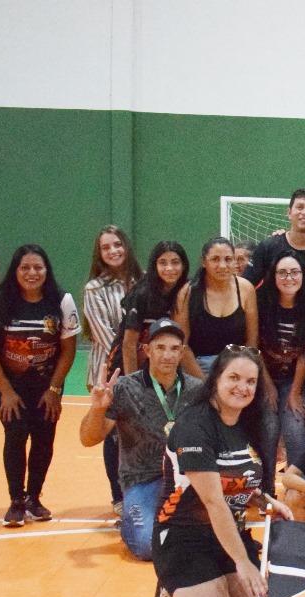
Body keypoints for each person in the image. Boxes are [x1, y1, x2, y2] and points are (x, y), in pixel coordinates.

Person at [153, 345, 292, 597]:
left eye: (251, 382)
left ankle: (219, 582)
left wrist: (264, 500)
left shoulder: (249, 423)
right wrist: (243, 563)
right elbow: (214, 500)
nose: (242, 387)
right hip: (185, 538)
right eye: (234, 378)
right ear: (215, 378)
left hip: (230, 534)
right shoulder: (193, 427)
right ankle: (171, 587)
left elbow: (238, 479)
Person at [79, 318, 203, 560]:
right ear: (146, 350)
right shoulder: (125, 388)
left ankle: (173, 525)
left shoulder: (196, 390)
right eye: (160, 347)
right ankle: (132, 522)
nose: (167, 355)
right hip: (143, 481)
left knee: (219, 535)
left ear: (182, 353)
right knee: (147, 545)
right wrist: (97, 409)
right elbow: (88, 439)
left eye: (174, 348)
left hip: (188, 481)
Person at [0, 244, 79, 526]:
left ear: (47, 271)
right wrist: (6, 392)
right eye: (25, 268)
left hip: (46, 383)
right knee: (16, 434)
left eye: (38, 267)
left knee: (44, 437)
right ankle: (16, 501)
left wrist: (55, 389)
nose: (32, 273)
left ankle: (34, 498)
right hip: (10, 385)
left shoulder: (61, 300)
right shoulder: (0, 302)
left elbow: (69, 350)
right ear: (15, 271)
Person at [82, 225, 143, 516]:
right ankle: (118, 497)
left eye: (117, 244)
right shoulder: (94, 289)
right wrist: (130, 365)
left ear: (126, 246)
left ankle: (138, 489)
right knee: (114, 433)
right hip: (108, 371)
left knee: (138, 432)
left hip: (140, 367)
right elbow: (107, 336)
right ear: (100, 254)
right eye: (106, 247)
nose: (113, 251)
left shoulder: (141, 280)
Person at [256, 252, 305, 466]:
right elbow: (254, 347)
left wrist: (294, 393)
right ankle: (265, 490)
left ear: (302, 276)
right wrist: (267, 385)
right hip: (264, 376)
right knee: (268, 428)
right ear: (273, 277)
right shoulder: (261, 303)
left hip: (295, 379)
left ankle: (299, 490)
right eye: (282, 273)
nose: (289, 278)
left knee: (294, 426)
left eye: (294, 272)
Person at [175, 237, 259, 377]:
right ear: (204, 262)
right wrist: (205, 385)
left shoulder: (246, 289)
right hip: (197, 369)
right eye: (215, 259)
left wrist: (241, 374)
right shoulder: (187, 293)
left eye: (228, 259)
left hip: (236, 366)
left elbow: (252, 341)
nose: (222, 265)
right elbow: (182, 345)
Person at [119, 241, 190, 375]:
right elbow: (129, 345)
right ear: (155, 265)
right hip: (132, 362)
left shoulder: (188, 290)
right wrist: (132, 384)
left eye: (175, 262)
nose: (169, 268)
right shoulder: (142, 294)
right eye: (163, 263)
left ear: (184, 265)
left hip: (168, 365)